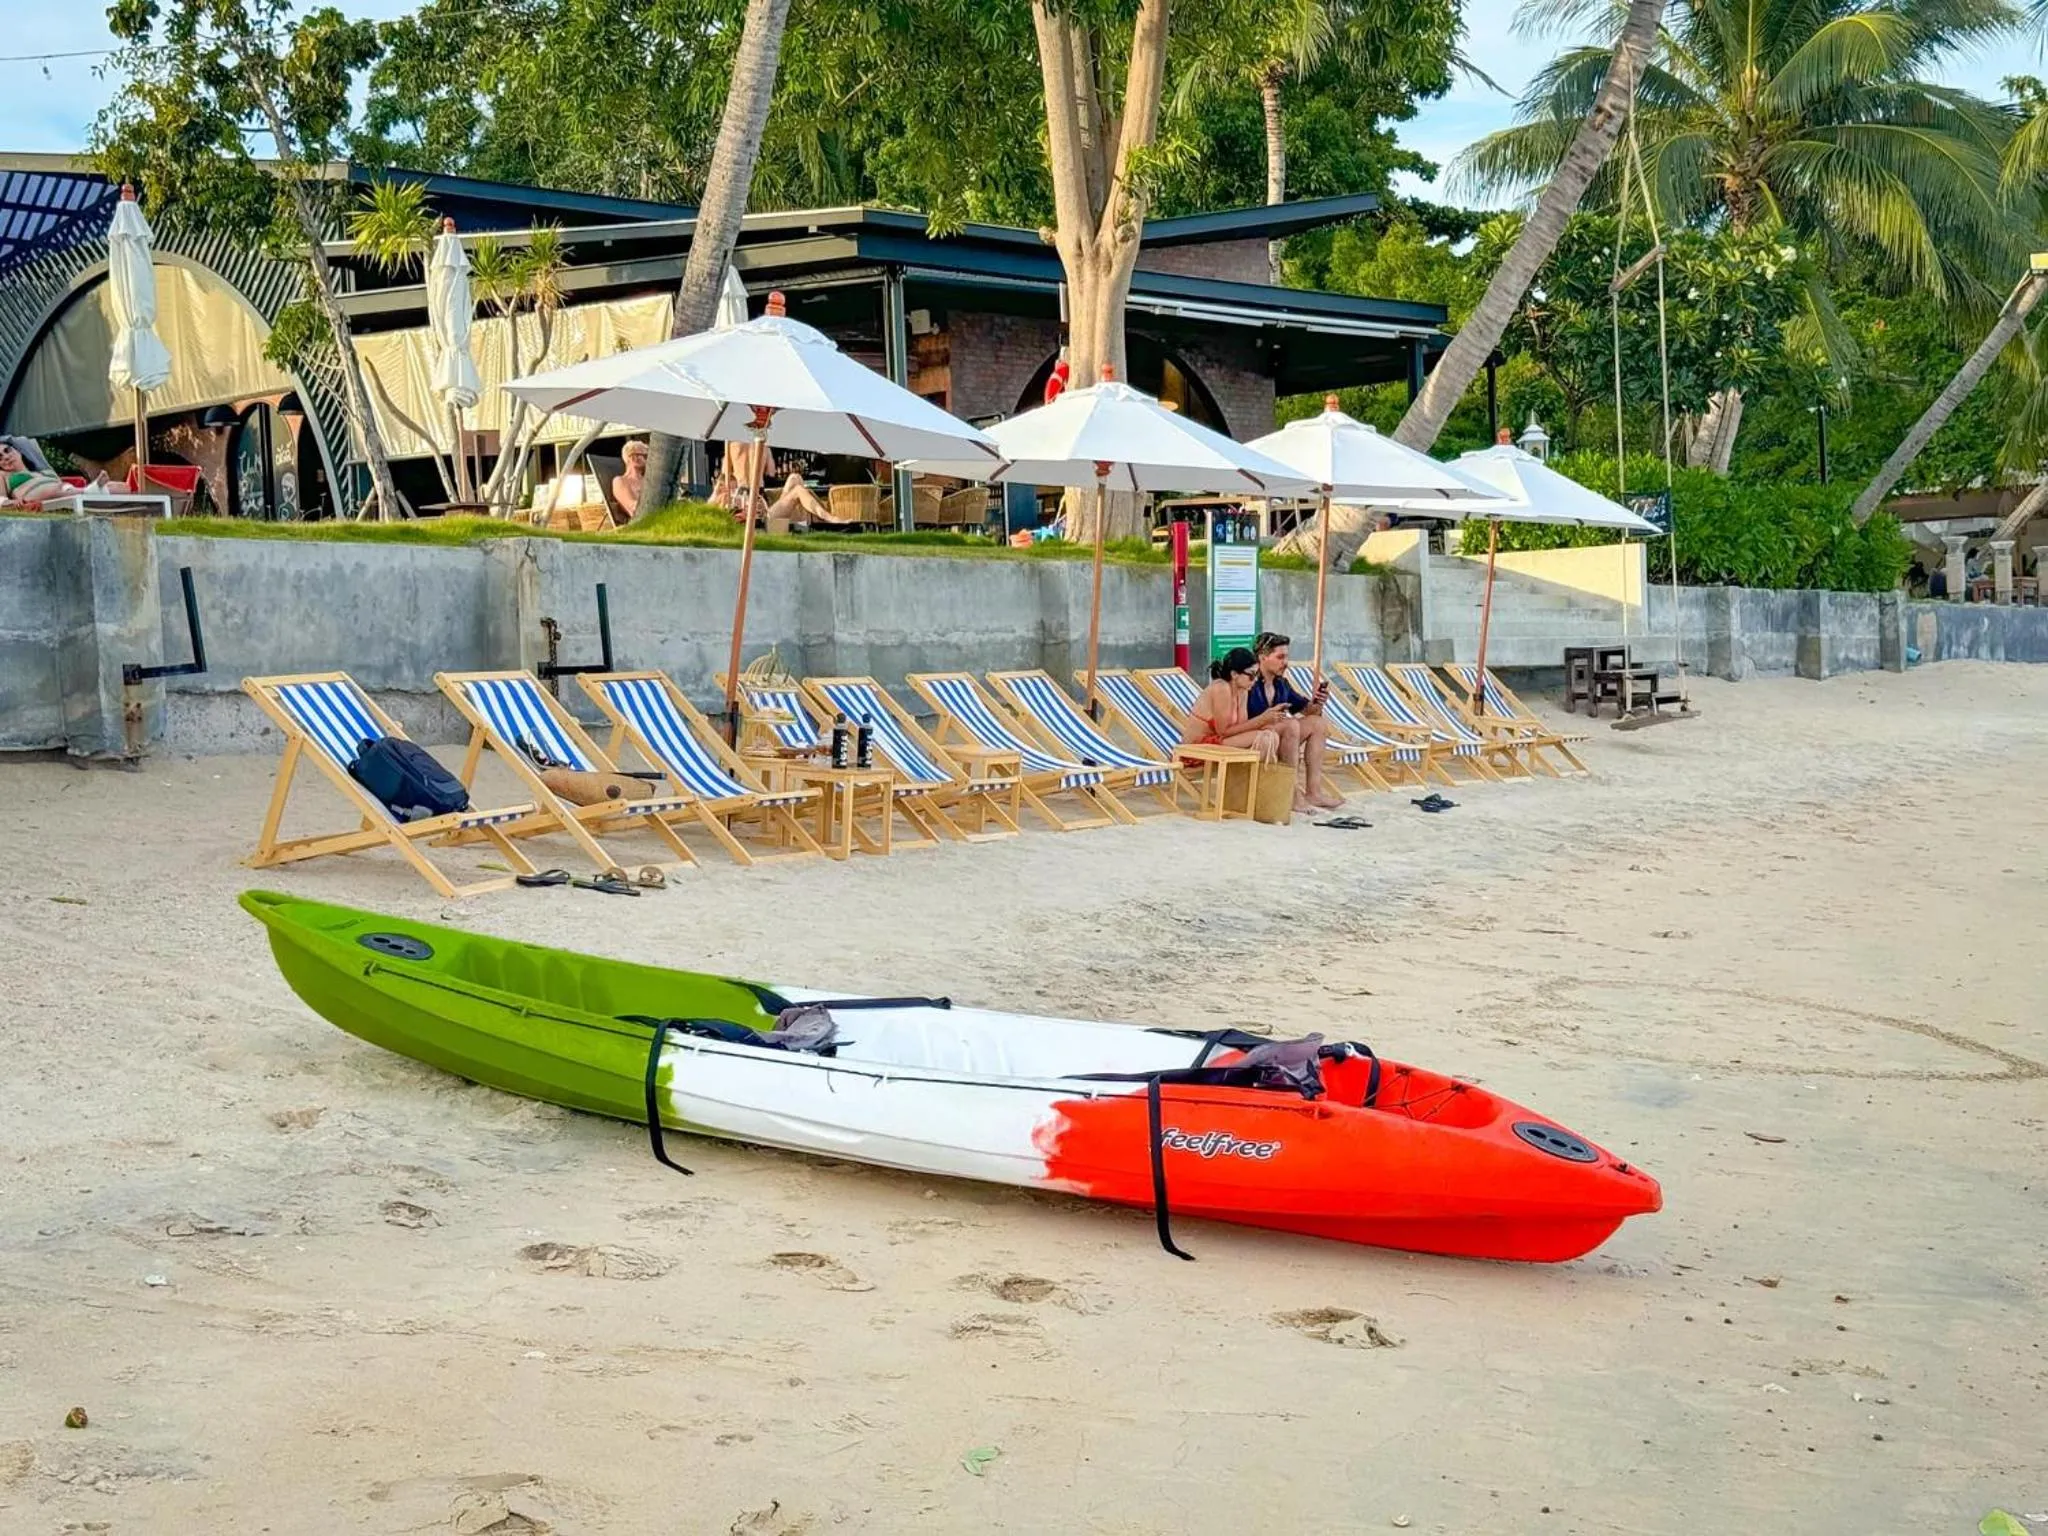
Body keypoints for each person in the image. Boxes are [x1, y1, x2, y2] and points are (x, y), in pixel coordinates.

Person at [1245, 631, 1344, 812]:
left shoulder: (1281, 684)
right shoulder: (1248, 684)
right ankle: (1292, 794)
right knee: (1291, 725)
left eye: (1286, 657)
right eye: (1280, 657)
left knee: (1318, 723)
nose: (1285, 662)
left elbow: (1309, 711)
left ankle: (1314, 793)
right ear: (1263, 657)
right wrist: (1266, 720)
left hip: (1279, 738)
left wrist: (1318, 703)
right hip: (1255, 740)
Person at [1181, 647, 1284, 764]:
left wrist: (1266, 722)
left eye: (1257, 674)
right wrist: (1261, 719)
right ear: (1234, 674)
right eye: (1251, 675)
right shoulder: (1222, 688)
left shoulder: (1243, 691)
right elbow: (1223, 731)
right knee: (1265, 739)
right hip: (1197, 747)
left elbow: (1241, 727)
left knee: (1271, 735)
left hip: (1218, 742)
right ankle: (1246, 776)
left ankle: (1251, 776)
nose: (1255, 680)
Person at [0, 441, 86, 507]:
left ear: (18, 451)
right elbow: (1, 500)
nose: (6, 457)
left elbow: (62, 485)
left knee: (63, 486)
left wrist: (68, 488)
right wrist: (13, 503)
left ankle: (86, 492)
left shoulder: (44, 471)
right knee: (53, 490)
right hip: (33, 497)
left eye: (7, 450)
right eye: (0, 458)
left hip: (63, 493)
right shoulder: (3, 475)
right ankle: (87, 492)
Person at [611, 439, 648, 519]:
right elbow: (633, 507)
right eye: (646, 456)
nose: (649, 460)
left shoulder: (647, 480)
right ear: (633, 457)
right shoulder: (620, 481)